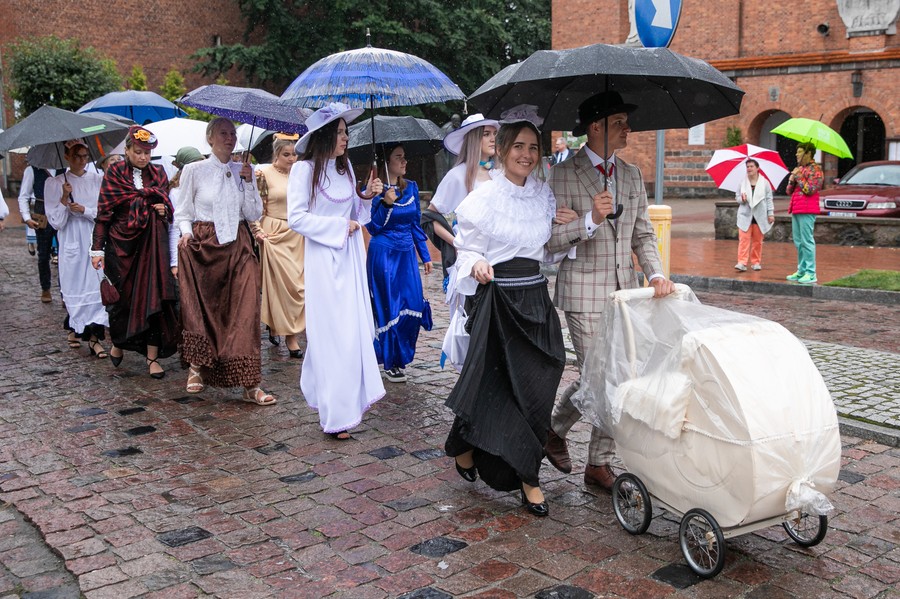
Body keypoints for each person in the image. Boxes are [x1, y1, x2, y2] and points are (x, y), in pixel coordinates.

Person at [543, 91, 675, 492]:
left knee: (619, 376)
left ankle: (582, 451)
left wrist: (655, 275)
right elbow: (550, 240)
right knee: (603, 380)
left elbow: (642, 234)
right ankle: (582, 450)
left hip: (626, 294)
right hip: (583, 291)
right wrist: (590, 218)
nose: (627, 128)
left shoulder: (632, 175)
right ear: (595, 127)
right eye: (619, 121)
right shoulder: (563, 174)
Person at [444, 108, 566, 518]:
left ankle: (466, 444)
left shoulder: (543, 195)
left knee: (541, 381)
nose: (527, 155)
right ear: (502, 149)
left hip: (535, 298)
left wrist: (585, 221)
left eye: (533, 147)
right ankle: (528, 479)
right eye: (519, 146)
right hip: (498, 300)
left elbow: (548, 250)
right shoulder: (482, 198)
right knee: (496, 386)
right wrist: (475, 263)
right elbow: (465, 248)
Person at [287, 102, 386, 440]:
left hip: (350, 261)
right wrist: (337, 228)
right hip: (323, 261)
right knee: (331, 334)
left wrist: (369, 198)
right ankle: (335, 413)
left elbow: (357, 213)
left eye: (347, 132)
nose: (346, 138)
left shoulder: (344, 171)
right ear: (326, 135)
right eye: (341, 133)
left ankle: (346, 400)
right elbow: (296, 218)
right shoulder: (304, 171)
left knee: (352, 331)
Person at [175, 117, 274, 405]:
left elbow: (254, 212)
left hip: (239, 245)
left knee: (245, 309)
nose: (229, 138)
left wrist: (248, 182)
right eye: (223, 133)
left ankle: (250, 383)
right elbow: (183, 212)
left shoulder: (245, 170)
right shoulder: (194, 170)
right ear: (210, 138)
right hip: (204, 244)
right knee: (206, 309)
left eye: (232, 133)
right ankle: (197, 367)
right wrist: (185, 234)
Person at [92, 126, 180, 378]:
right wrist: (97, 249)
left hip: (152, 246)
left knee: (155, 300)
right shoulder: (114, 174)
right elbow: (103, 215)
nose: (143, 157)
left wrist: (163, 209)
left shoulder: (159, 173)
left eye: (147, 153)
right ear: (127, 150)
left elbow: (168, 205)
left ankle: (152, 358)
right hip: (120, 249)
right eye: (138, 151)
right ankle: (119, 342)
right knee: (123, 303)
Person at [366, 143, 433, 383]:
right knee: (389, 307)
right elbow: (372, 227)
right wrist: (385, 203)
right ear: (387, 162)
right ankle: (390, 361)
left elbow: (416, 224)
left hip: (406, 255)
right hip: (383, 254)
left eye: (405, 157)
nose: (404, 162)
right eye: (399, 158)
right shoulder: (373, 190)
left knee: (413, 303)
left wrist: (424, 255)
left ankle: (401, 355)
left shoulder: (412, 187)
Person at [421, 114, 499, 293]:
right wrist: (457, 242)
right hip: (469, 259)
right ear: (474, 139)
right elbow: (430, 217)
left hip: (496, 256)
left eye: (494, 134)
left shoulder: (499, 174)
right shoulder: (457, 176)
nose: (493, 139)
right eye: (486, 134)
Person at [45, 140, 109, 357]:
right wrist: (64, 198)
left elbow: (104, 212)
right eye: (76, 156)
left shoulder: (98, 179)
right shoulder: (55, 183)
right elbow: (55, 222)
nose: (82, 160)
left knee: (98, 285)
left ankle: (94, 339)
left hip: (94, 238)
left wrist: (85, 210)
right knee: (78, 287)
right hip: (72, 240)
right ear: (67, 158)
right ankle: (76, 328)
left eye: (84, 156)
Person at [251, 134, 306, 359]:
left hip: (297, 233)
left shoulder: (301, 175)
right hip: (273, 232)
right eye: (286, 155)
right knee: (281, 286)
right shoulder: (263, 173)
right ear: (276, 154)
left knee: (298, 285)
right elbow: (255, 204)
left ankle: (280, 325)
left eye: (294, 154)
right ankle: (291, 336)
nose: (291, 159)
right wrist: (257, 230)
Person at [18, 163, 59, 302]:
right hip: (42, 215)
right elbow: (24, 195)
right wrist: (27, 217)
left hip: (62, 214)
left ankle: (64, 291)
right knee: (43, 255)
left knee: (65, 255)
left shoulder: (65, 169)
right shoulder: (32, 170)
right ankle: (45, 288)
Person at [785, 142, 823, 284]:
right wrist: (791, 178)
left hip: (807, 209)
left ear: (808, 154)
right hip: (796, 208)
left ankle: (811, 272)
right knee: (798, 242)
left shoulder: (816, 170)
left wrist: (799, 177)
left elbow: (810, 190)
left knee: (807, 241)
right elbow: (789, 191)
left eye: (800, 152)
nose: (796, 154)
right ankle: (801, 270)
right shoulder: (799, 169)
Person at [167, 147, 205, 278]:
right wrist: (174, 262)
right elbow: (174, 229)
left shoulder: (205, 189)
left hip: (207, 246)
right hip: (188, 247)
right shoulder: (176, 193)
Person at [734, 159, 775, 272]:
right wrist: (741, 199)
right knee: (744, 240)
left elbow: (769, 199)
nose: (749, 169)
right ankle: (742, 262)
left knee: (757, 241)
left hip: (759, 216)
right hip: (745, 215)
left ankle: (755, 262)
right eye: (747, 166)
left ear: (757, 168)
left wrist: (770, 213)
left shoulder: (765, 183)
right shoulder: (742, 182)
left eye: (751, 166)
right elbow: (737, 197)